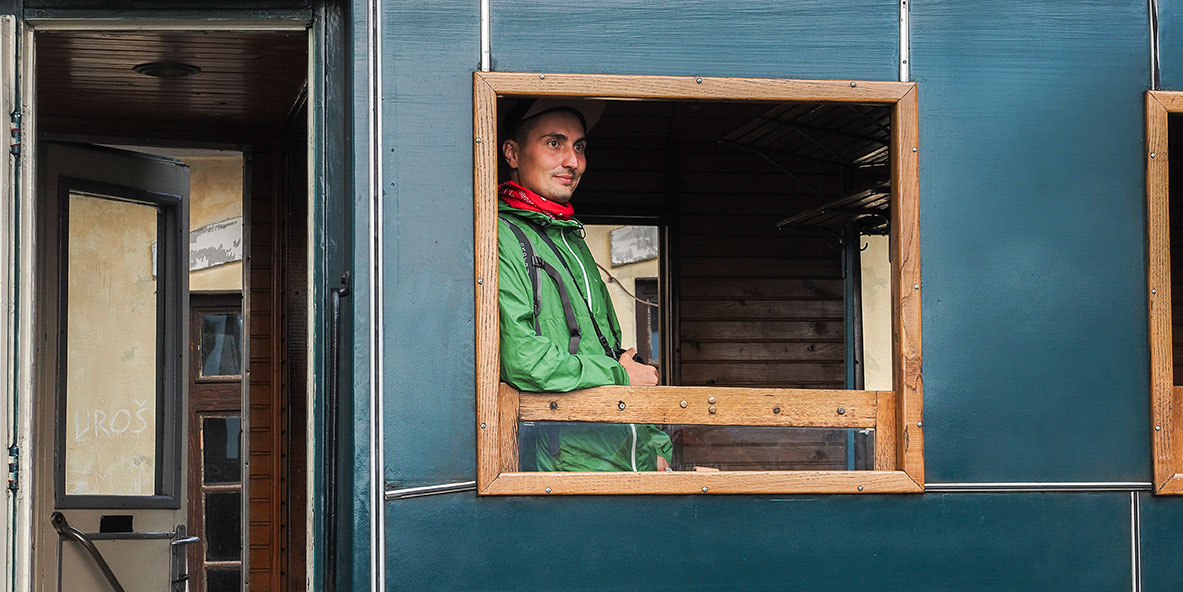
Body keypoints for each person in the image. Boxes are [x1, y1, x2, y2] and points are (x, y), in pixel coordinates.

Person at [497, 99, 673, 472]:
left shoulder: (570, 238)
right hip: (568, 475)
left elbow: (615, 354)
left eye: (579, 147)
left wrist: (655, 448)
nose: (572, 161)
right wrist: (621, 375)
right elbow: (523, 360)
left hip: (628, 467)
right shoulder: (502, 235)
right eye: (554, 143)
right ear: (512, 153)